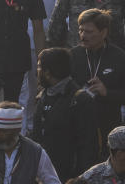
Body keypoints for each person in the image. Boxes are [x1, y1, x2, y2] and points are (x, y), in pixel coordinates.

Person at [70, 8, 125, 140]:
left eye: (89, 32)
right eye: (81, 30)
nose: (83, 35)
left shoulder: (120, 58)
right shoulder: (72, 56)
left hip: (108, 126)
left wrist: (107, 93)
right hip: (76, 124)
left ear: (103, 32)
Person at [31, 46, 100, 180]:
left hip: (69, 176)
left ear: (47, 72)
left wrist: (79, 178)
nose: (36, 72)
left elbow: (89, 145)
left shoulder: (80, 100)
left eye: (39, 67)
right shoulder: (42, 97)